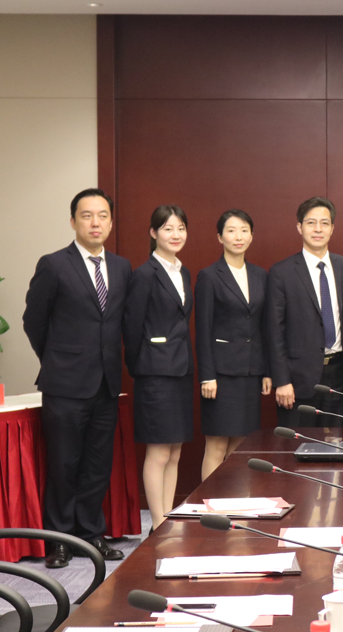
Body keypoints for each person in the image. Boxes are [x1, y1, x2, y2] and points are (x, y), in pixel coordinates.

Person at [23, 188, 130, 567]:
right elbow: (34, 321)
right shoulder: (54, 264)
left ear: (111, 222)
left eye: (102, 215)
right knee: (63, 464)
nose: (95, 222)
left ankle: (90, 534)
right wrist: (57, 360)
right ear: (73, 221)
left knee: (97, 465)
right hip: (64, 385)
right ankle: (60, 541)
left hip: (106, 384)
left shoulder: (121, 267)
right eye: (87, 215)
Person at [123, 205, 194, 531]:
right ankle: (157, 522)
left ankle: (169, 519)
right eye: (168, 228)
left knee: (175, 452)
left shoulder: (183, 272)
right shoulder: (144, 274)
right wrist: (142, 366)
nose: (175, 234)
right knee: (159, 452)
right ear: (153, 233)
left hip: (181, 370)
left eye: (180, 228)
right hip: (154, 373)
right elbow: (132, 327)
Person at [196, 209, 272, 480]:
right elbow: (203, 330)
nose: (238, 236)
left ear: (251, 236)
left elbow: (264, 327)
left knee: (241, 446)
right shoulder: (209, 276)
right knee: (217, 444)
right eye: (231, 230)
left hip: (250, 372)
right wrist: (207, 376)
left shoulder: (260, 275)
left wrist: (266, 371)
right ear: (220, 237)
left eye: (244, 230)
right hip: (220, 375)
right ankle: (210, 502)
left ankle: (235, 501)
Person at [267, 197, 343, 428]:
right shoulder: (282, 272)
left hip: (340, 374)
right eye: (311, 223)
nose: (318, 229)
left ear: (332, 228)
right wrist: (282, 381)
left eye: (324, 223)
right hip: (297, 379)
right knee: (296, 445)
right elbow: (274, 332)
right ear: (299, 227)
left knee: (337, 443)